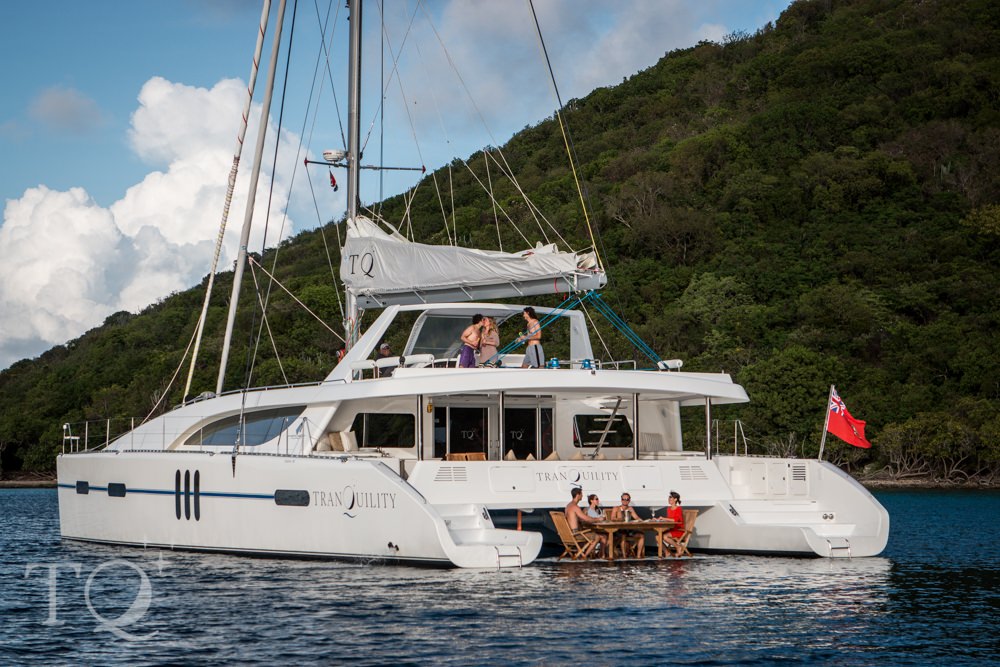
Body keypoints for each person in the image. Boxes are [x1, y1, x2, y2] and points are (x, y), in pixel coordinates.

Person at [564, 487, 606, 558]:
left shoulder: (568, 506)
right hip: (576, 534)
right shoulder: (575, 507)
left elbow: (578, 518)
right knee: (597, 536)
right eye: (581, 494)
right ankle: (584, 556)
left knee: (601, 536)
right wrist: (598, 519)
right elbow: (587, 519)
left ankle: (598, 555)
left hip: (569, 534)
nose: (582, 496)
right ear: (578, 495)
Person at [611, 492, 646, 558]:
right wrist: (619, 519)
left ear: (629, 500)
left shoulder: (630, 509)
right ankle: (624, 556)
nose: (625, 501)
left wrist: (643, 520)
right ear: (621, 500)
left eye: (627, 499)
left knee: (641, 535)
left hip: (629, 530)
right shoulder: (616, 508)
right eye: (624, 499)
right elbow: (612, 518)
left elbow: (636, 517)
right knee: (623, 535)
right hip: (618, 530)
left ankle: (638, 556)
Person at [656, 490, 685, 556]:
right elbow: (669, 520)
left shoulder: (678, 508)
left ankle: (678, 546)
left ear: (675, 499)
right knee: (657, 536)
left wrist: (663, 518)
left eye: (671, 497)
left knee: (665, 536)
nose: (669, 499)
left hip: (678, 530)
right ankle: (666, 552)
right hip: (671, 529)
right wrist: (658, 520)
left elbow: (675, 520)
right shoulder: (668, 509)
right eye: (669, 497)